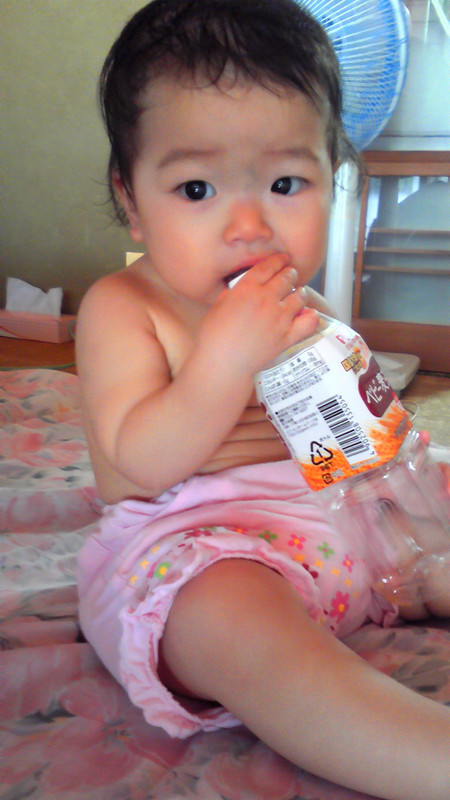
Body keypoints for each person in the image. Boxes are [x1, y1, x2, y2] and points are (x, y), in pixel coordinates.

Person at [76, 1, 450, 797]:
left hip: (340, 527)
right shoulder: (124, 307)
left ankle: (423, 579)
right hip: (200, 545)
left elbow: (351, 433)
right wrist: (224, 361)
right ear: (131, 198)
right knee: (229, 619)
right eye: (197, 187)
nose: (249, 225)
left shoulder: (304, 307)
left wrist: (405, 490)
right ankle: (423, 754)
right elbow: (138, 461)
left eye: (285, 183)